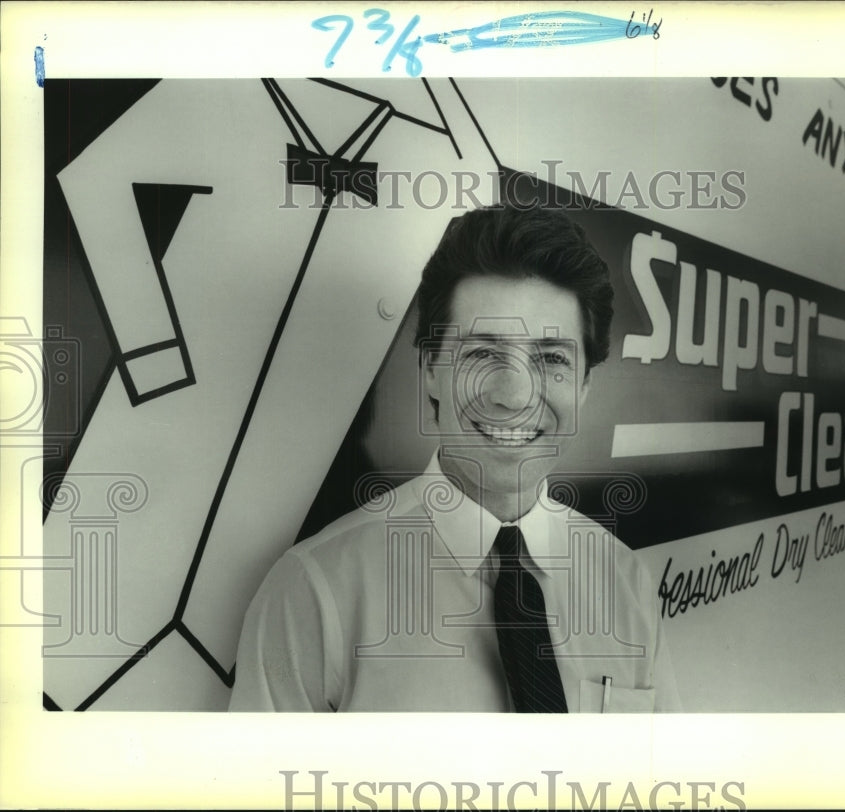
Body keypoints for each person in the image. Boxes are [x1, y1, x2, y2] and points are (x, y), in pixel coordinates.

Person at [228, 204, 682, 712]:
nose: (514, 396)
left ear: (583, 386)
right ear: (430, 370)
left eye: (551, 359)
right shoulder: (314, 594)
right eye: (482, 354)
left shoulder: (627, 581)